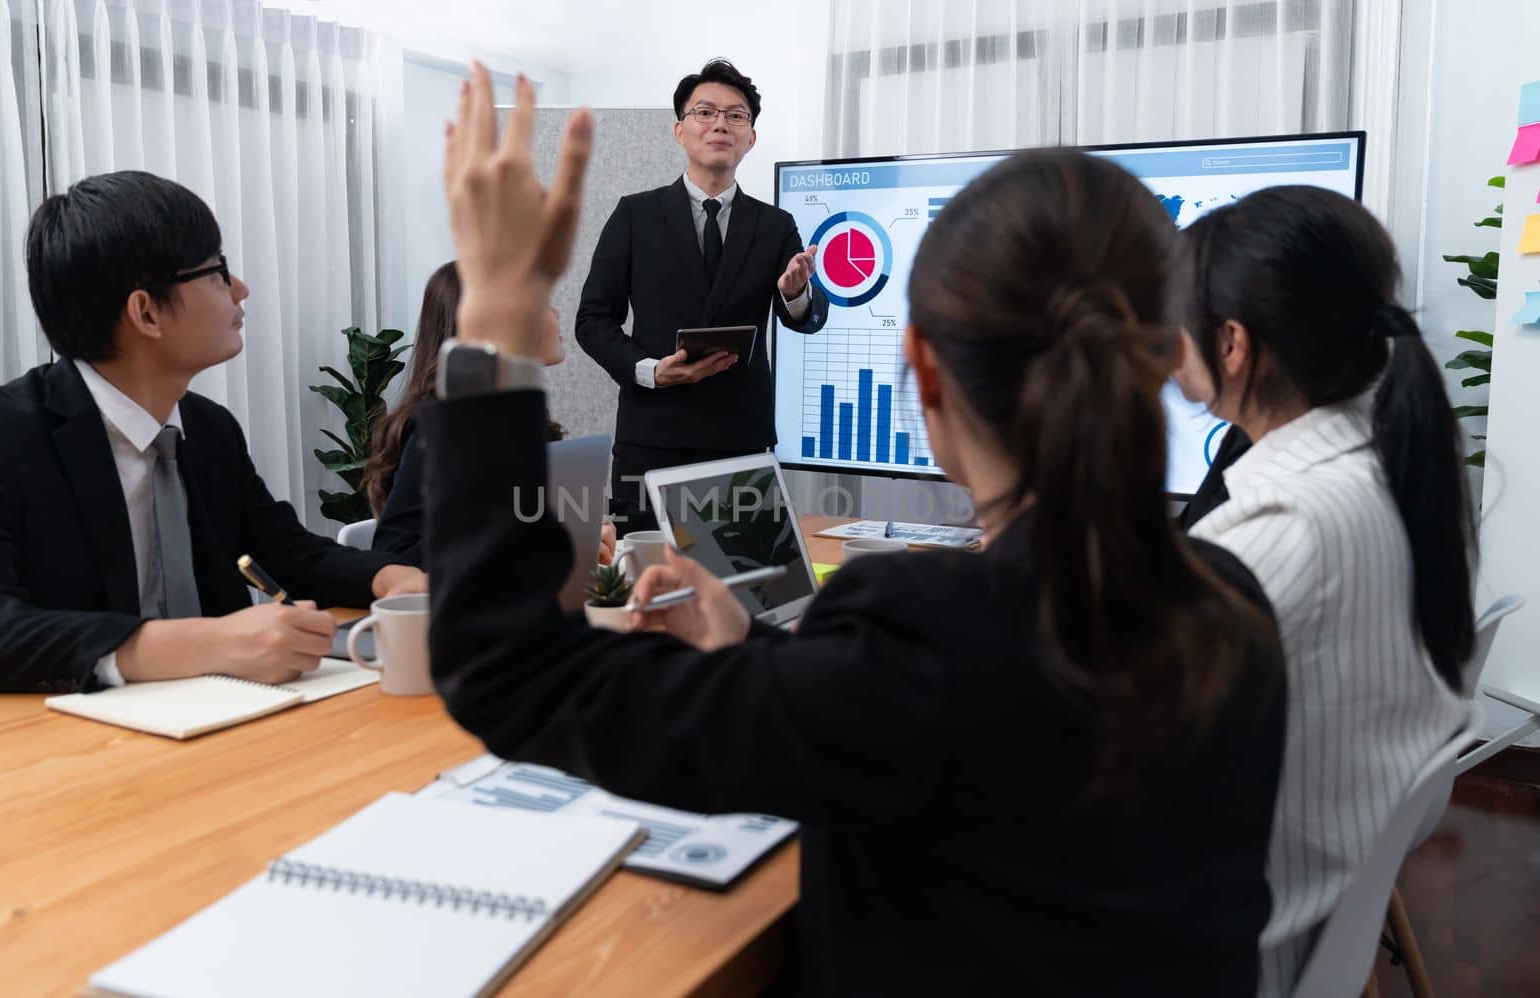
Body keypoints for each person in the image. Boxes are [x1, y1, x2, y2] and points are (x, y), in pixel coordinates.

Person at [422, 67, 1287, 994]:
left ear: (925, 370)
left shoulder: (917, 635)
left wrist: (498, 321)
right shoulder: (1232, 605)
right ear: (1162, 354)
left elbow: (509, 671)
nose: (720, 126)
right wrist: (748, 639)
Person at [0, 170, 426, 697]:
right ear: (146, 312)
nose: (241, 289)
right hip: (64, 742)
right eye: (218, 272)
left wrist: (389, 579)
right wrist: (207, 643)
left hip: (224, 723)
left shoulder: (207, 428)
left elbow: (287, 552)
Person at [1171, 185, 1476, 995]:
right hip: (1307, 905)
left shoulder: (1279, 531)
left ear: (1232, 344)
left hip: (1224, 946)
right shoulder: (1383, 471)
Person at [576, 58, 829, 532]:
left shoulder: (775, 225)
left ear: (750, 138)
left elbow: (806, 317)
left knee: (748, 585)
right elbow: (592, 320)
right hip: (652, 438)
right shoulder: (635, 215)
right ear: (679, 131)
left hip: (740, 441)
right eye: (705, 112)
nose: (720, 124)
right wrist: (649, 371)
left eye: (736, 116)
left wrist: (797, 294)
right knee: (642, 580)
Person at [366, 262, 612, 566]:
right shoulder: (442, 429)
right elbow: (393, 555)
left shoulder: (515, 417)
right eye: (543, 303)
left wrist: (582, 530)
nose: (557, 313)